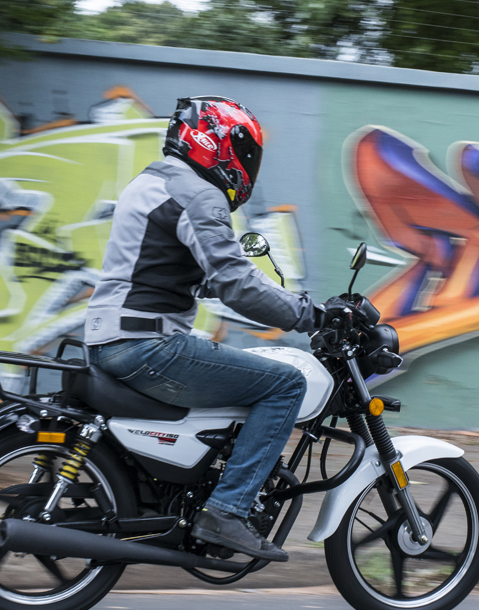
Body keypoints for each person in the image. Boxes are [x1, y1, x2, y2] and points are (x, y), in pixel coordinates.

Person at [84, 96, 320, 562]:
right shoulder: (198, 194)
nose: (247, 164)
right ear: (217, 143)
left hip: (109, 338)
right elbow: (235, 283)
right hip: (146, 345)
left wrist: (226, 286)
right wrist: (311, 314)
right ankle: (227, 511)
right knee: (286, 385)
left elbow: (169, 268)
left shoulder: (153, 181)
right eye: (244, 151)